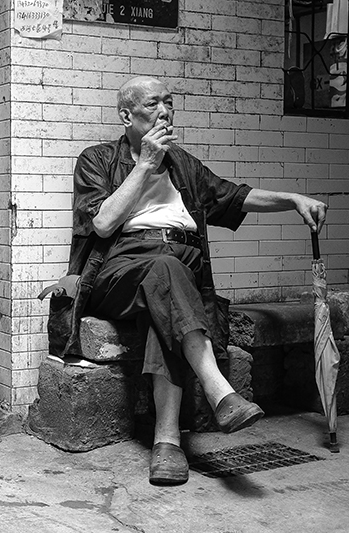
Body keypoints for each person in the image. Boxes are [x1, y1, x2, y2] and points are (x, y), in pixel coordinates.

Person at [60, 76, 328, 486]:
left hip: (175, 271)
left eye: (169, 103)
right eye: (153, 105)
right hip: (119, 270)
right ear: (126, 115)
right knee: (165, 272)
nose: (165, 111)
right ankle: (218, 389)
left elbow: (233, 195)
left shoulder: (182, 164)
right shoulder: (97, 159)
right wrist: (145, 164)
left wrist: (292, 200)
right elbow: (102, 222)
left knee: (164, 292)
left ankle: (167, 444)